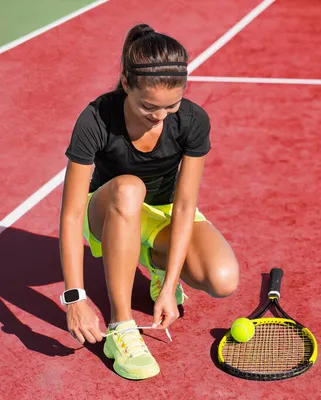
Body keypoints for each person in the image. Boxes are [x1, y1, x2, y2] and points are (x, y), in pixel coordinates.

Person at [58, 23, 239, 380]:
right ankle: (120, 328)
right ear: (126, 83)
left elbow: (185, 206)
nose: (160, 117)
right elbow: (71, 212)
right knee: (129, 188)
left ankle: (153, 265)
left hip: (164, 214)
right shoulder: (96, 118)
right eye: (148, 107)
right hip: (107, 209)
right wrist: (75, 298)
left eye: (171, 106)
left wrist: (170, 286)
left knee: (223, 279)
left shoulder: (192, 120)